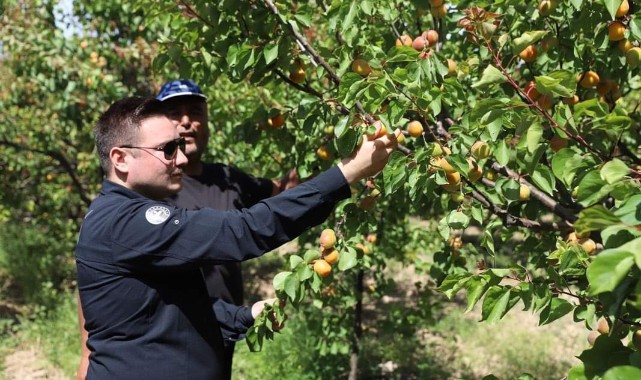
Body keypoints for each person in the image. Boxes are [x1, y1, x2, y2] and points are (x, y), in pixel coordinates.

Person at [75, 96, 399, 379]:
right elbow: (241, 231)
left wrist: (243, 316)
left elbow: (164, 305)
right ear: (120, 158)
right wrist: (349, 172)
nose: (183, 159)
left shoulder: (125, 216)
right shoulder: (125, 221)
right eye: (168, 149)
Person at [75, 80, 299, 379]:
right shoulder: (148, 194)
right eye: (174, 113)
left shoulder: (228, 179)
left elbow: (280, 194)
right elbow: (101, 277)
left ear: (206, 121)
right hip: (166, 339)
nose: (184, 122)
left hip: (218, 324)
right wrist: (88, 351)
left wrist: (319, 158)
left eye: (194, 112)